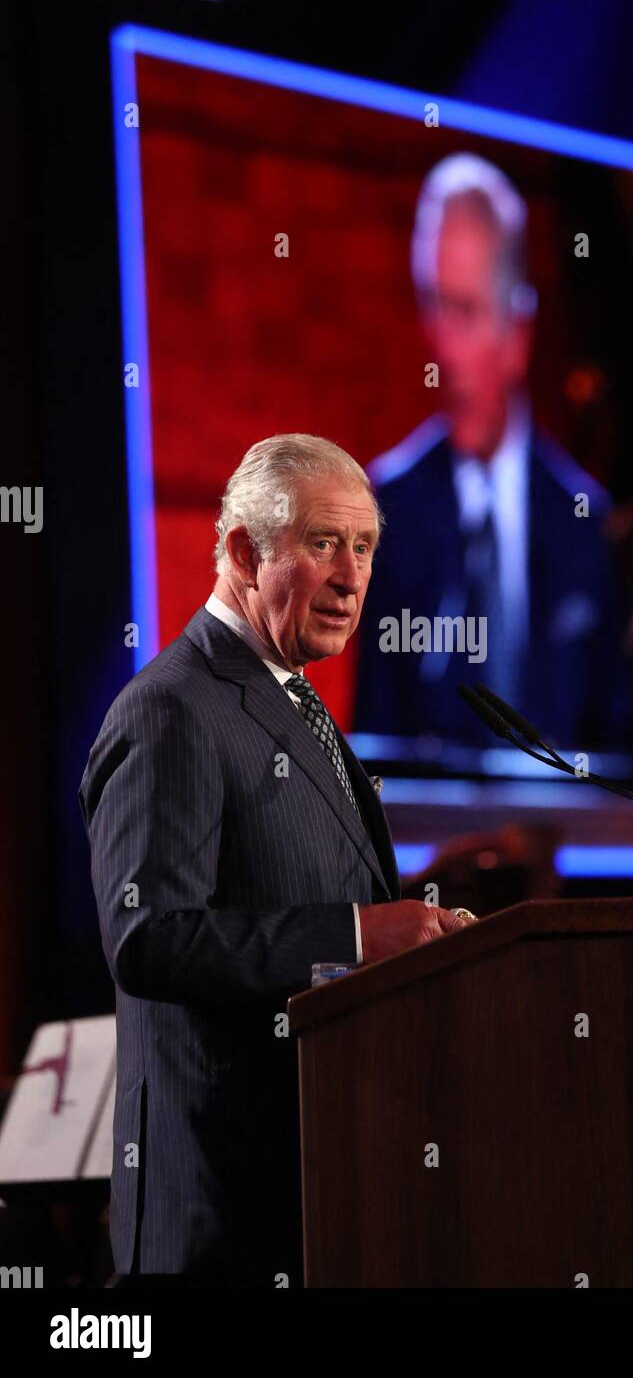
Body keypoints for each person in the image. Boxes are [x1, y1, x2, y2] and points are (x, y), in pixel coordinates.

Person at [79, 434, 470, 1284]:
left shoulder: (296, 702)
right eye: (324, 542)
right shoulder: (173, 711)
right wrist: (361, 940)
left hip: (328, 1194)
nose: (352, 575)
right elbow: (149, 938)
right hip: (223, 1213)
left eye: (364, 547)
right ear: (242, 553)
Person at [355, 153, 631, 749]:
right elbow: (372, 777)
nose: (441, 348)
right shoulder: (387, 511)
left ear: (520, 335)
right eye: (431, 304)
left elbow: (618, 766)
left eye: (464, 311)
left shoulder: (585, 523)